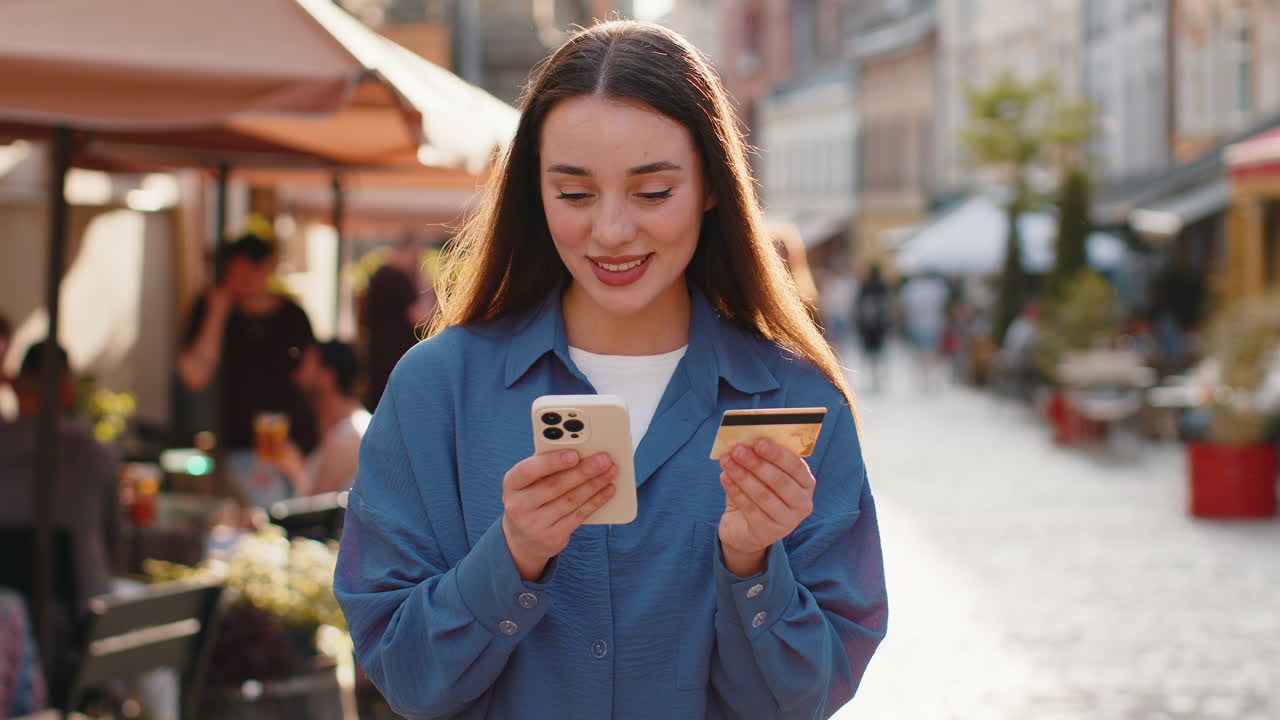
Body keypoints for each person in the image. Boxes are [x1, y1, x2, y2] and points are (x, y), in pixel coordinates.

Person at [335, 21, 887, 720]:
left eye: (653, 193)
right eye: (574, 194)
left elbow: (808, 697)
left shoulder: (800, 398)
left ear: (713, 186)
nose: (613, 231)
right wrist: (513, 555)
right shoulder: (435, 391)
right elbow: (403, 676)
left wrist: (751, 565)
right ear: (534, 191)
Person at [177, 230, 316, 504]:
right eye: (238, 271)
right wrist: (218, 310)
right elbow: (194, 375)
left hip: (289, 446)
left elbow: (309, 377)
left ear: (268, 268)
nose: (245, 279)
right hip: (234, 446)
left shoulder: (293, 316)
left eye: (253, 270)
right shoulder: (210, 309)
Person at [0, 342, 122, 617]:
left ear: (17, 386)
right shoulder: (92, 453)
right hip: (78, 625)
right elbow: (114, 539)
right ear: (67, 391)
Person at [267, 341, 371, 496]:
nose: (296, 376)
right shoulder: (341, 430)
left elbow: (314, 509)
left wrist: (295, 467)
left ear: (328, 377)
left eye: (305, 366)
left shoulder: (350, 436)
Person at [361, 235, 436, 410]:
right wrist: (422, 281)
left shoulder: (379, 276)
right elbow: (422, 318)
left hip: (380, 362)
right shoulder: (397, 279)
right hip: (396, 364)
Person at [854, 264, 892, 392]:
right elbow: (887, 306)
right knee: (879, 351)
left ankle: (873, 376)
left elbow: (858, 307)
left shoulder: (864, 288)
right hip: (879, 324)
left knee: (870, 352)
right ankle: (877, 378)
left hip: (867, 325)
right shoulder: (882, 288)